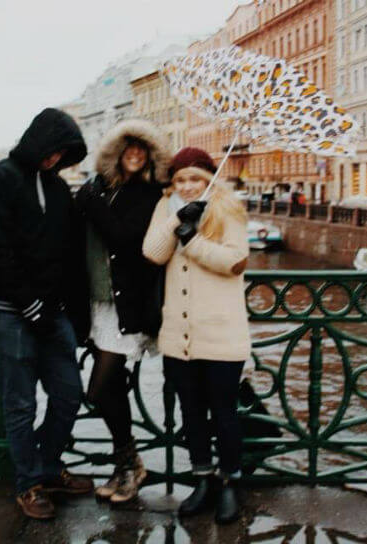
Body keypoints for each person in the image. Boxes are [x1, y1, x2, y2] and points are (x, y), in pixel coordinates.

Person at [0, 108, 93, 520]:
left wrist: (78, 317)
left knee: (69, 396)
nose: (54, 158)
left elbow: (71, 256)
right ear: (36, 141)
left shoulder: (59, 189)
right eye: (52, 149)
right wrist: (29, 303)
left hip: (54, 314)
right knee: (20, 405)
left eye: (63, 153)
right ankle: (29, 484)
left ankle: (46, 465)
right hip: (11, 313)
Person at [142, 147, 252, 525]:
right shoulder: (166, 207)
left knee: (224, 413)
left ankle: (230, 484)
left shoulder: (228, 209)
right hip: (178, 333)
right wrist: (176, 221)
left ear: (209, 179)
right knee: (191, 413)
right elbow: (152, 252)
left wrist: (193, 239)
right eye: (180, 180)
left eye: (194, 179)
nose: (187, 186)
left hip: (221, 331)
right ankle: (202, 479)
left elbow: (235, 262)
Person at [74, 119, 170, 503]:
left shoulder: (150, 196)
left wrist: (91, 204)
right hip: (98, 303)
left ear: (150, 156)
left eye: (141, 149)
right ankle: (126, 469)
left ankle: (130, 464)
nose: (134, 154)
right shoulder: (101, 189)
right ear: (114, 153)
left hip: (128, 307)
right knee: (112, 389)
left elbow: (127, 240)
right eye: (128, 147)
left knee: (98, 390)